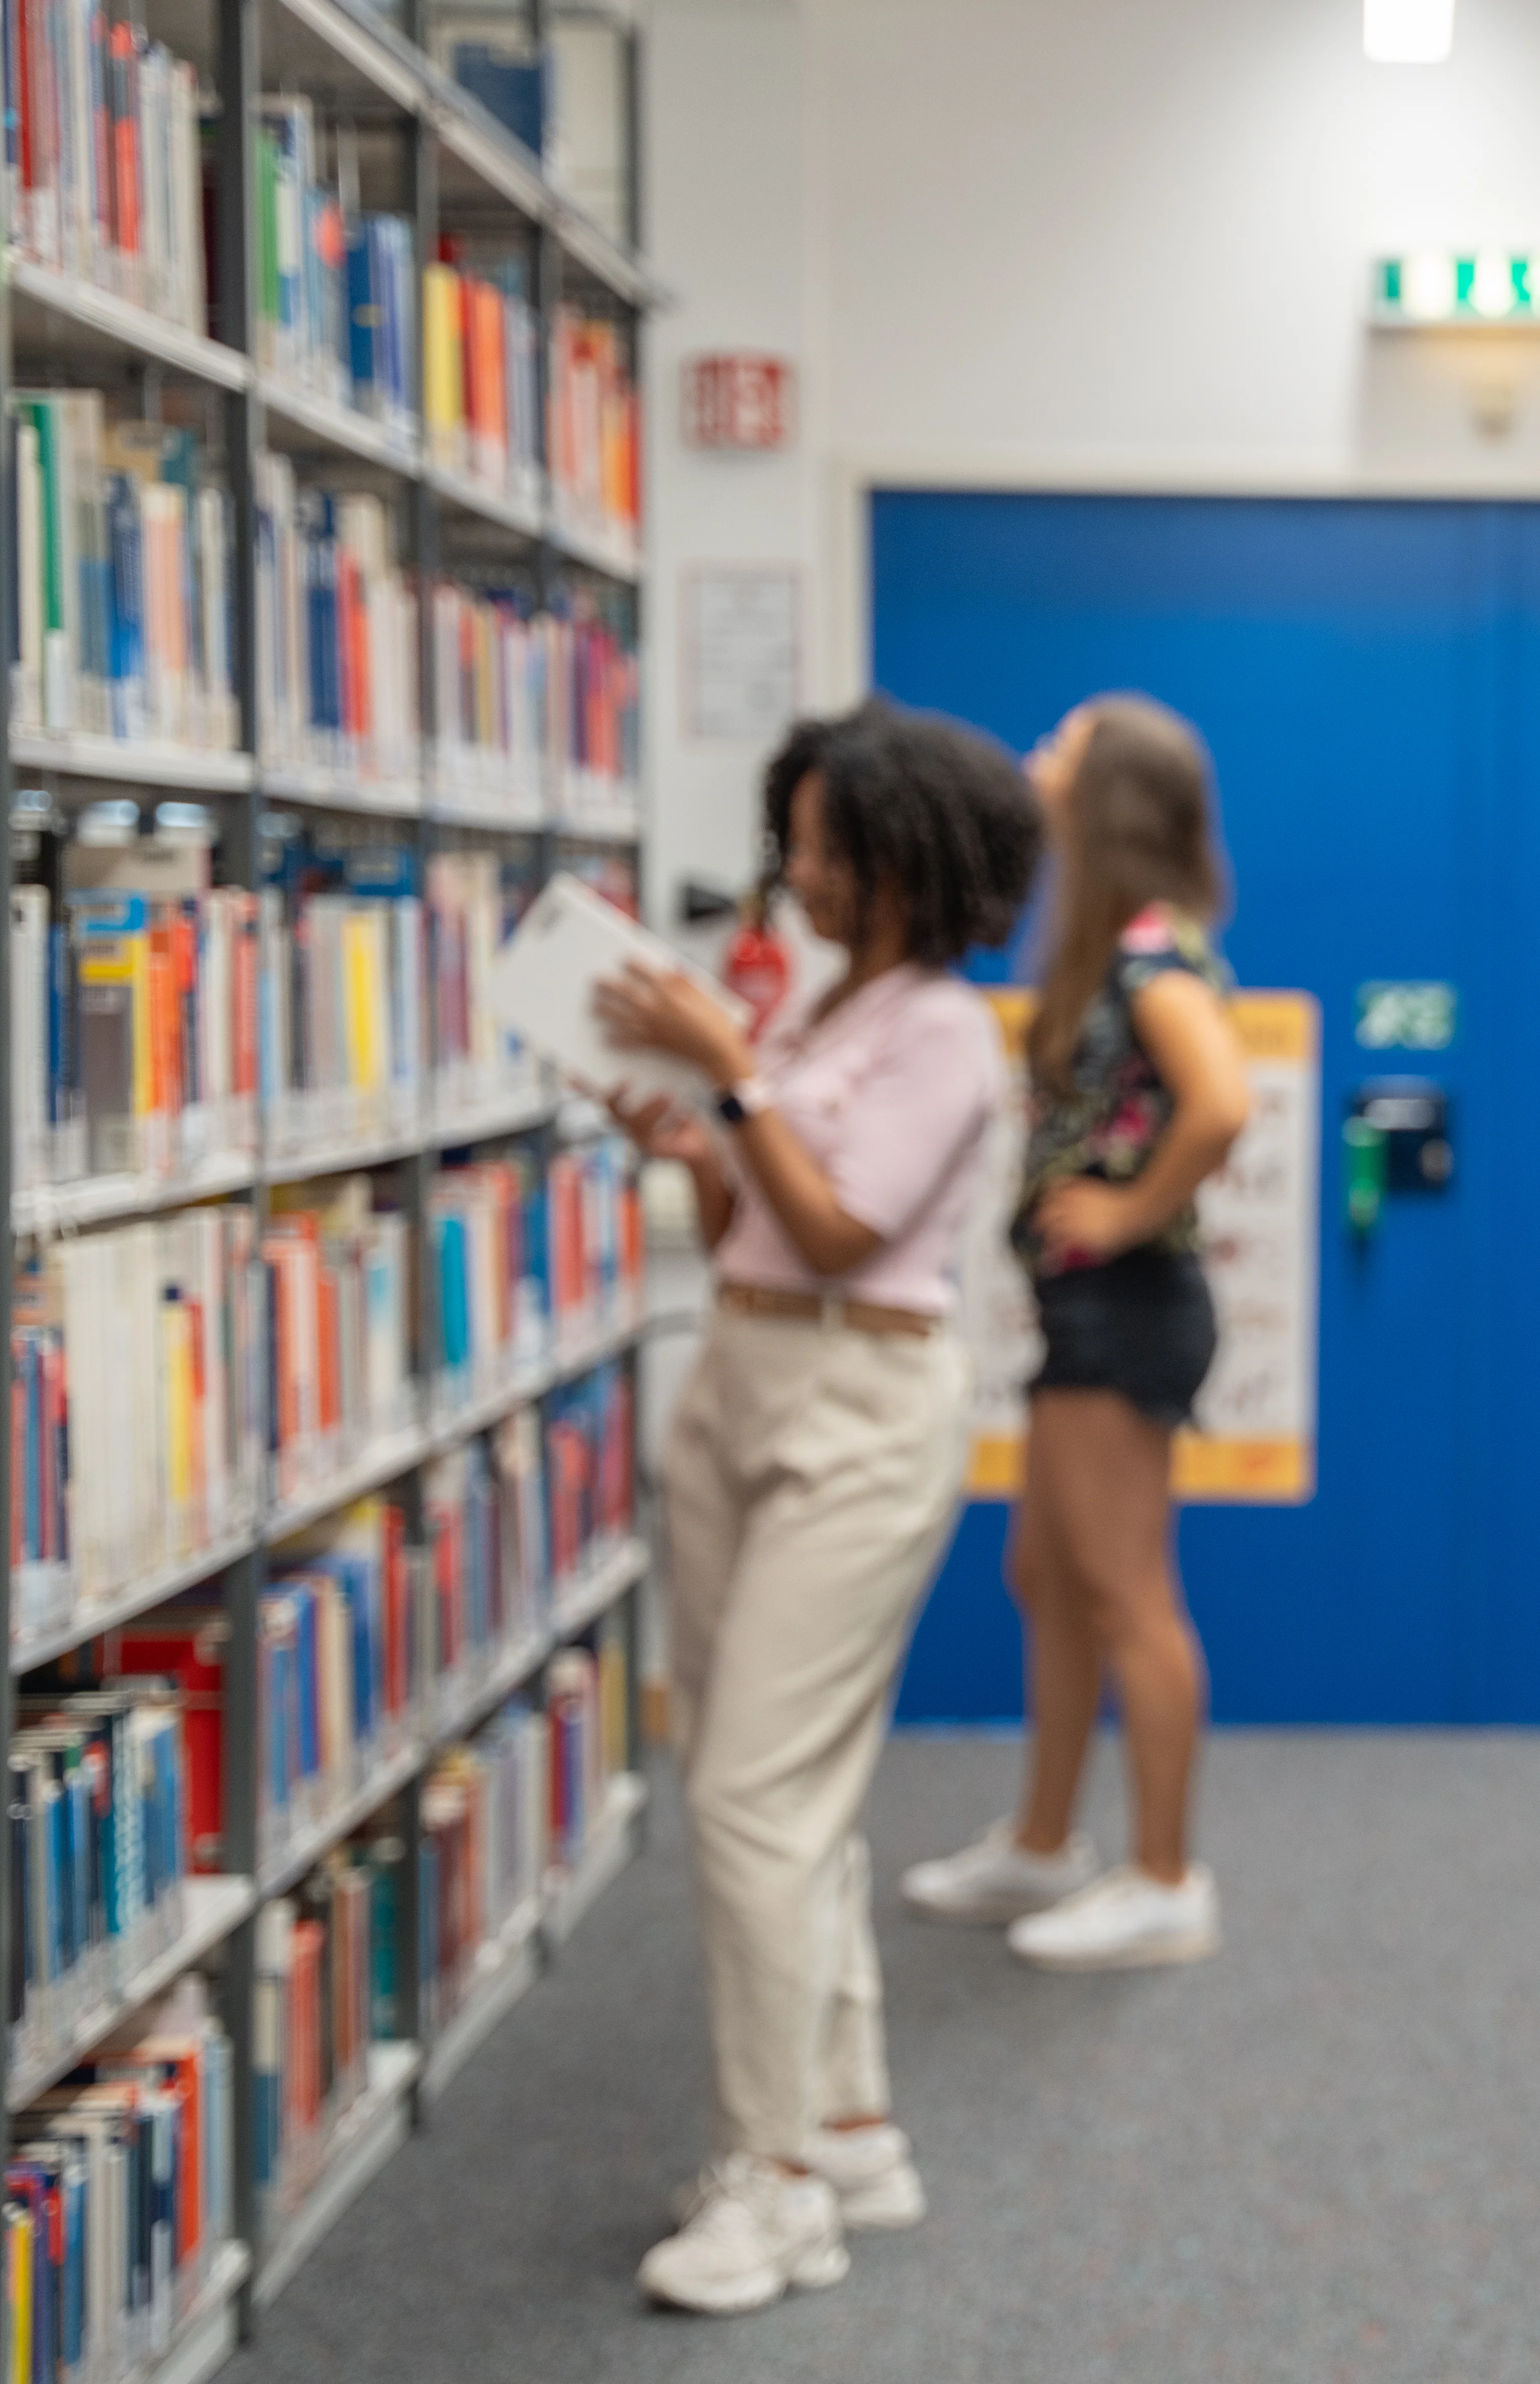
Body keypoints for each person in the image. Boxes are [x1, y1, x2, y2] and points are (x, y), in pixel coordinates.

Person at [594, 698, 1042, 2316]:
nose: (797, 871)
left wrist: (734, 1079)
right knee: (784, 1790)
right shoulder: (828, 1007)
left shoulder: (942, 1028)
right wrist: (694, 1120)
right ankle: (847, 2121)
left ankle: (771, 2182)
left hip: (859, 1398)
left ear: (907, 857)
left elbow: (848, 1231)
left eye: (825, 843)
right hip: (747, 1377)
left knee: (746, 1798)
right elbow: (753, 1224)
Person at [899, 694, 1251, 1972]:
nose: (1036, 753)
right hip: (1087, 1313)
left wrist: (1124, 1210)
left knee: (1127, 1594)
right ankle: (1046, 1839)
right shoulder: (1116, 941)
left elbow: (1219, 1102)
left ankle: (1166, 1875)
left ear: (1109, 794)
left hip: (1126, 1309)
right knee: (1045, 1576)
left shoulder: (1151, 952)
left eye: (1065, 742)